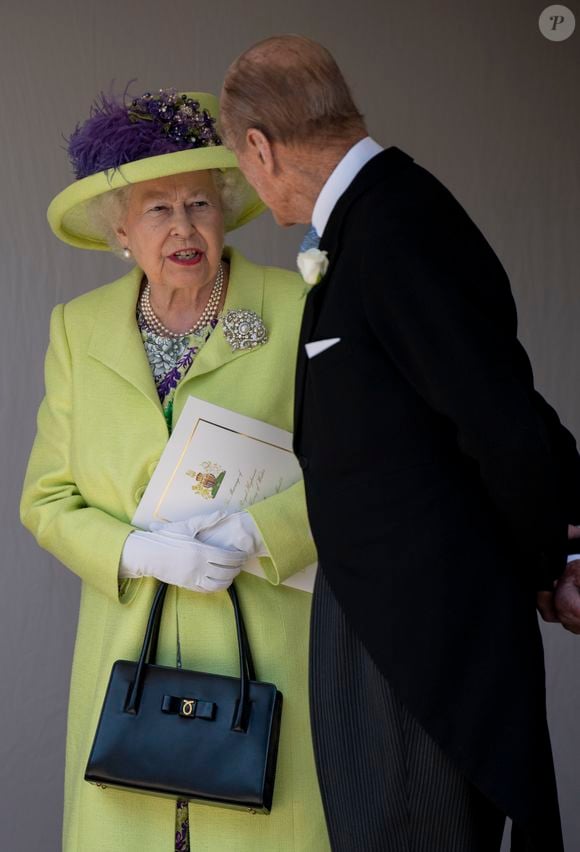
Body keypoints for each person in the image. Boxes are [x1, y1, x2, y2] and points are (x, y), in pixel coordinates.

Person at [220, 36, 580, 852]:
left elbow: (499, 416)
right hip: (387, 624)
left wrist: (548, 563)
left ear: (259, 146)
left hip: (423, 646)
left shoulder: (396, 223)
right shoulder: (369, 222)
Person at [20, 88, 329, 852]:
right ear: (120, 231)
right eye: (158, 210)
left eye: (199, 202)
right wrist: (136, 551)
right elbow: (47, 498)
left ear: (228, 208)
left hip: (267, 640)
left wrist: (266, 529)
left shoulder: (299, 309)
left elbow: (365, 470)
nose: (184, 227)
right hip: (130, 648)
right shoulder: (78, 329)